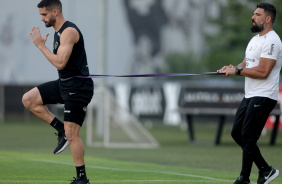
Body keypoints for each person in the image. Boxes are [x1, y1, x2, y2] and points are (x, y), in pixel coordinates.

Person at [22, 0, 93, 183]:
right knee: (28, 100)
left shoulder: (69, 32)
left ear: (55, 11)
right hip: (64, 84)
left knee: (73, 134)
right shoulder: (57, 32)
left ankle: (82, 179)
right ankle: (60, 129)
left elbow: (60, 63)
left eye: (44, 15)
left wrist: (40, 46)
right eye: (40, 15)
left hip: (78, 89)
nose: (42, 18)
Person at [217, 3, 281, 184]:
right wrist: (231, 68)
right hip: (250, 94)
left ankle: (244, 178)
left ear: (267, 19)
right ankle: (266, 170)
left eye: (257, 14)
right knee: (237, 133)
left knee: (247, 136)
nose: (253, 17)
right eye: (253, 14)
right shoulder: (254, 40)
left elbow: (263, 72)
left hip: (264, 95)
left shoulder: (272, 41)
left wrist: (236, 72)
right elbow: (245, 65)